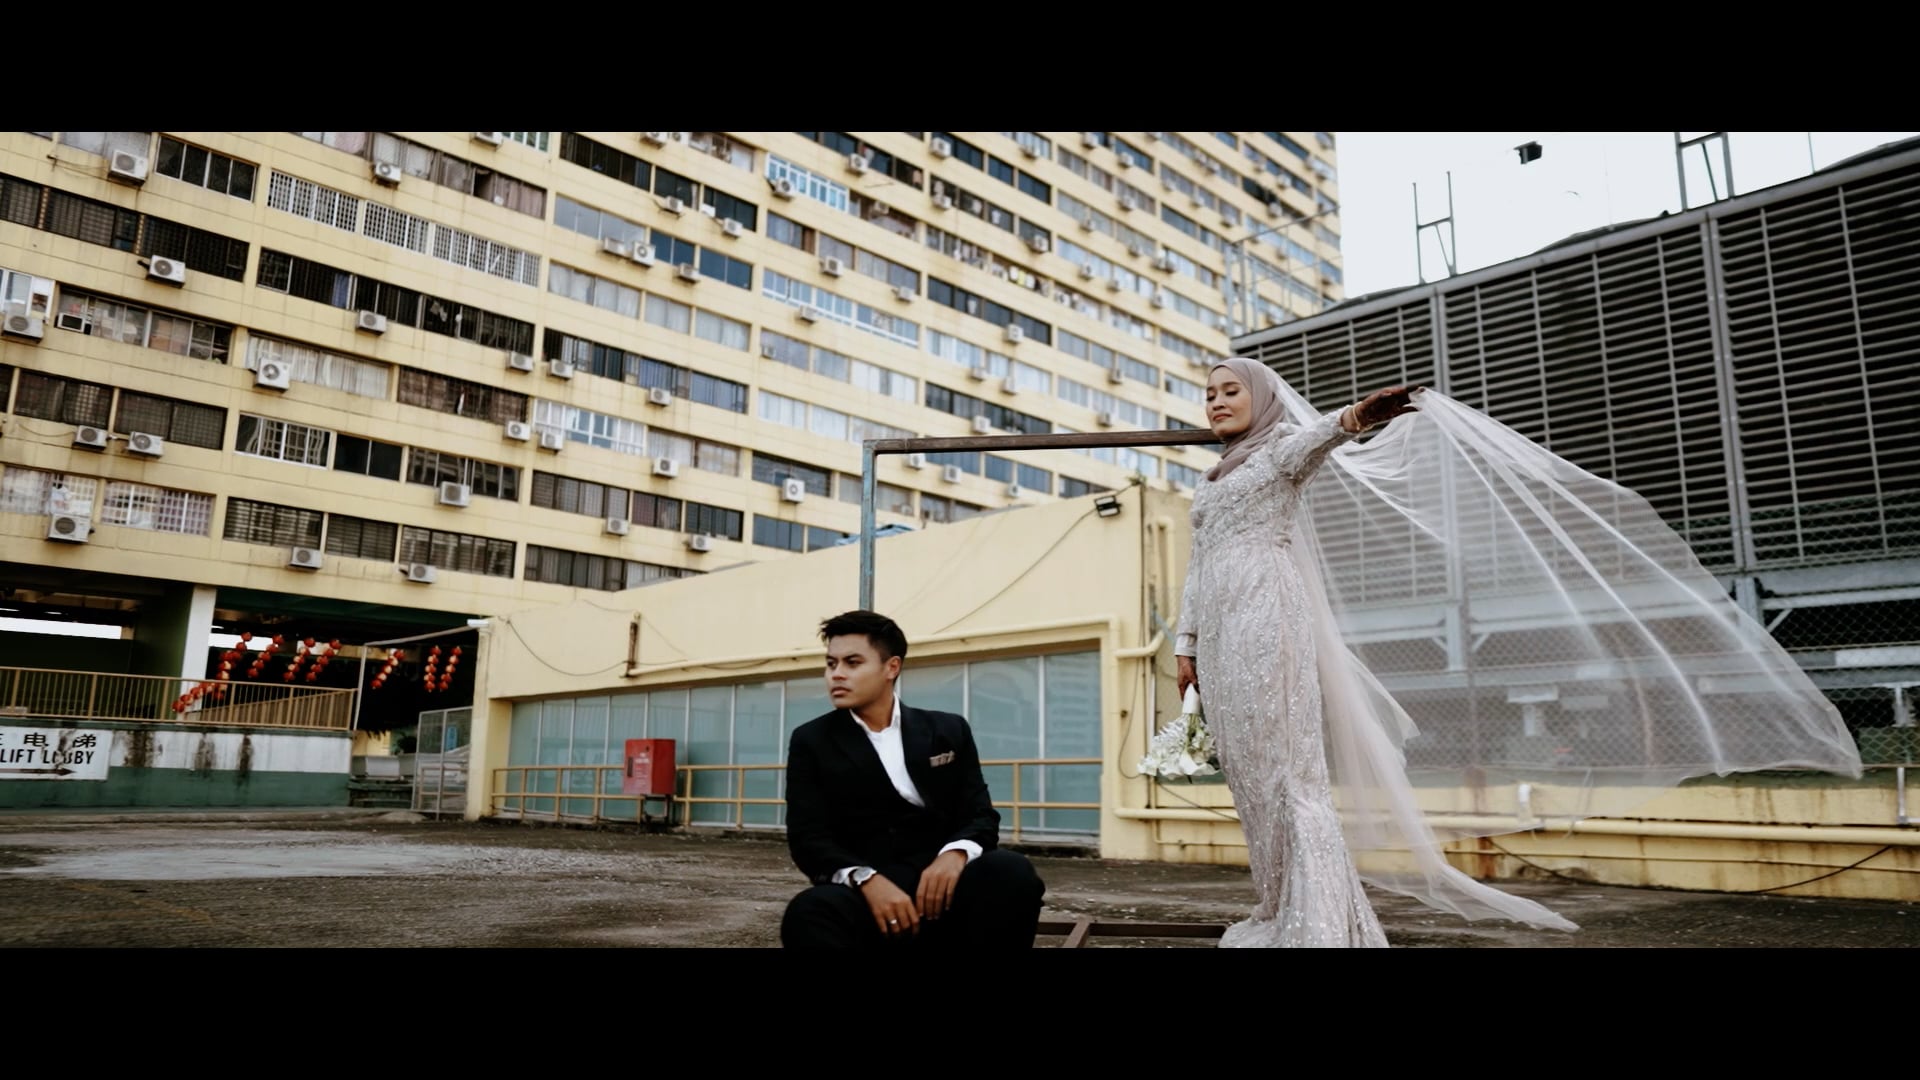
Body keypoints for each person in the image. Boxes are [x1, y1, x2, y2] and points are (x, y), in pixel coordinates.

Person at [1174, 357, 1577, 947]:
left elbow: (1320, 438)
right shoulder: (1209, 479)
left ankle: (1317, 924)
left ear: (1261, 398)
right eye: (1209, 394)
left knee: (1286, 774)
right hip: (1218, 631)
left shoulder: (1279, 450)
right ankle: (1277, 904)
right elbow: (1198, 564)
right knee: (1249, 777)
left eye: (1230, 391)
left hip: (1266, 614)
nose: (1216, 402)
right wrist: (1185, 644)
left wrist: (1358, 415)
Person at [781, 610, 1046, 949]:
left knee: (1011, 871)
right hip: (870, 897)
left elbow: (980, 815)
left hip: (945, 889)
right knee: (808, 913)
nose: (837, 674)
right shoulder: (811, 740)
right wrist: (866, 879)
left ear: (891, 667)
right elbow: (808, 838)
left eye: (852, 662)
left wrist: (954, 855)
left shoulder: (947, 730)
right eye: (831, 664)